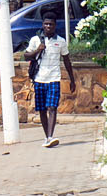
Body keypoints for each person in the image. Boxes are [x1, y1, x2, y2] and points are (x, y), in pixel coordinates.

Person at [25, 14, 78, 147]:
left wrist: (72, 79)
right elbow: (26, 56)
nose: (48, 26)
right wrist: (37, 50)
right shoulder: (36, 40)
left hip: (54, 78)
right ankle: (47, 137)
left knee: (52, 107)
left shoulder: (60, 41)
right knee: (42, 109)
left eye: (51, 24)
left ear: (55, 26)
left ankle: (50, 136)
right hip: (39, 79)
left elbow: (66, 60)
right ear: (43, 25)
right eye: (46, 24)